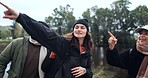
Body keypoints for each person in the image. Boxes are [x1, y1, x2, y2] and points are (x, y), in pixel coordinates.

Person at [0, 2, 94, 78]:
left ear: (87, 32)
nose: (79, 29)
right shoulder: (64, 44)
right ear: (73, 30)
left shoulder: (87, 50)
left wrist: (85, 71)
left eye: (82, 27)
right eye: (76, 27)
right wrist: (20, 17)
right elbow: (44, 33)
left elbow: (90, 71)